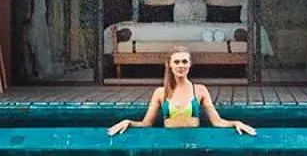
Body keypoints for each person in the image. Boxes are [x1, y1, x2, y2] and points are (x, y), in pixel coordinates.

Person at [109, 45, 256, 137]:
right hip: (168, 141)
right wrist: (128, 122)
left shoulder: (200, 90)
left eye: (184, 61)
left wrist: (236, 122)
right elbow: (146, 124)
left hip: (194, 141)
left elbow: (217, 122)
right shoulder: (160, 93)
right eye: (176, 62)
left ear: (190, 64)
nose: (181, 66)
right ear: (169, 65)